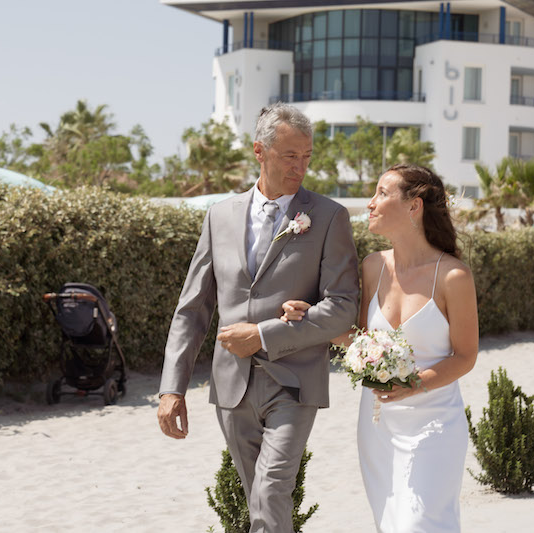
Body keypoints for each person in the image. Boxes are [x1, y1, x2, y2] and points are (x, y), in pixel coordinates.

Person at [157, 103, 360, 533]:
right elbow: (193, 308)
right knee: (260, 502)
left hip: (295, 380)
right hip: (232, 386)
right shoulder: (219, 216)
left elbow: (343, 305)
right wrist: (172, 388)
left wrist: (265, 335)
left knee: (270, 492)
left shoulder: (328, 217)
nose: (300, 167)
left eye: (306, 157)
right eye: (290, 156)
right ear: (259, 151)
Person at [281, 164, 478, 532]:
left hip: (435, 425)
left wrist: (416, 383)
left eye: (382, 193)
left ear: (413, 206)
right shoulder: (372, 267)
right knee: (390, 523)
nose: (370, 203)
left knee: (419, 524)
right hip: (378, 426)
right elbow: (357, 338)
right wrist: (311, 318)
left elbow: (465, 356)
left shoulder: (453, 276)